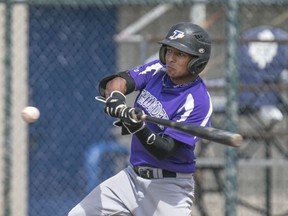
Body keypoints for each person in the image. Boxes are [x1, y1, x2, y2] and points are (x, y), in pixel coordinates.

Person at [68, 22, 212, 216]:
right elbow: (117, 82)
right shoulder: (158, 70)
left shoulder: (197, 101)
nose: (171, 58)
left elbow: (164, 150)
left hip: (168, 190)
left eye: (180, 54)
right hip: (132, 177)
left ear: (196, 62)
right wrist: (117, 100)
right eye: (169, 51)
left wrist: (138, 127)